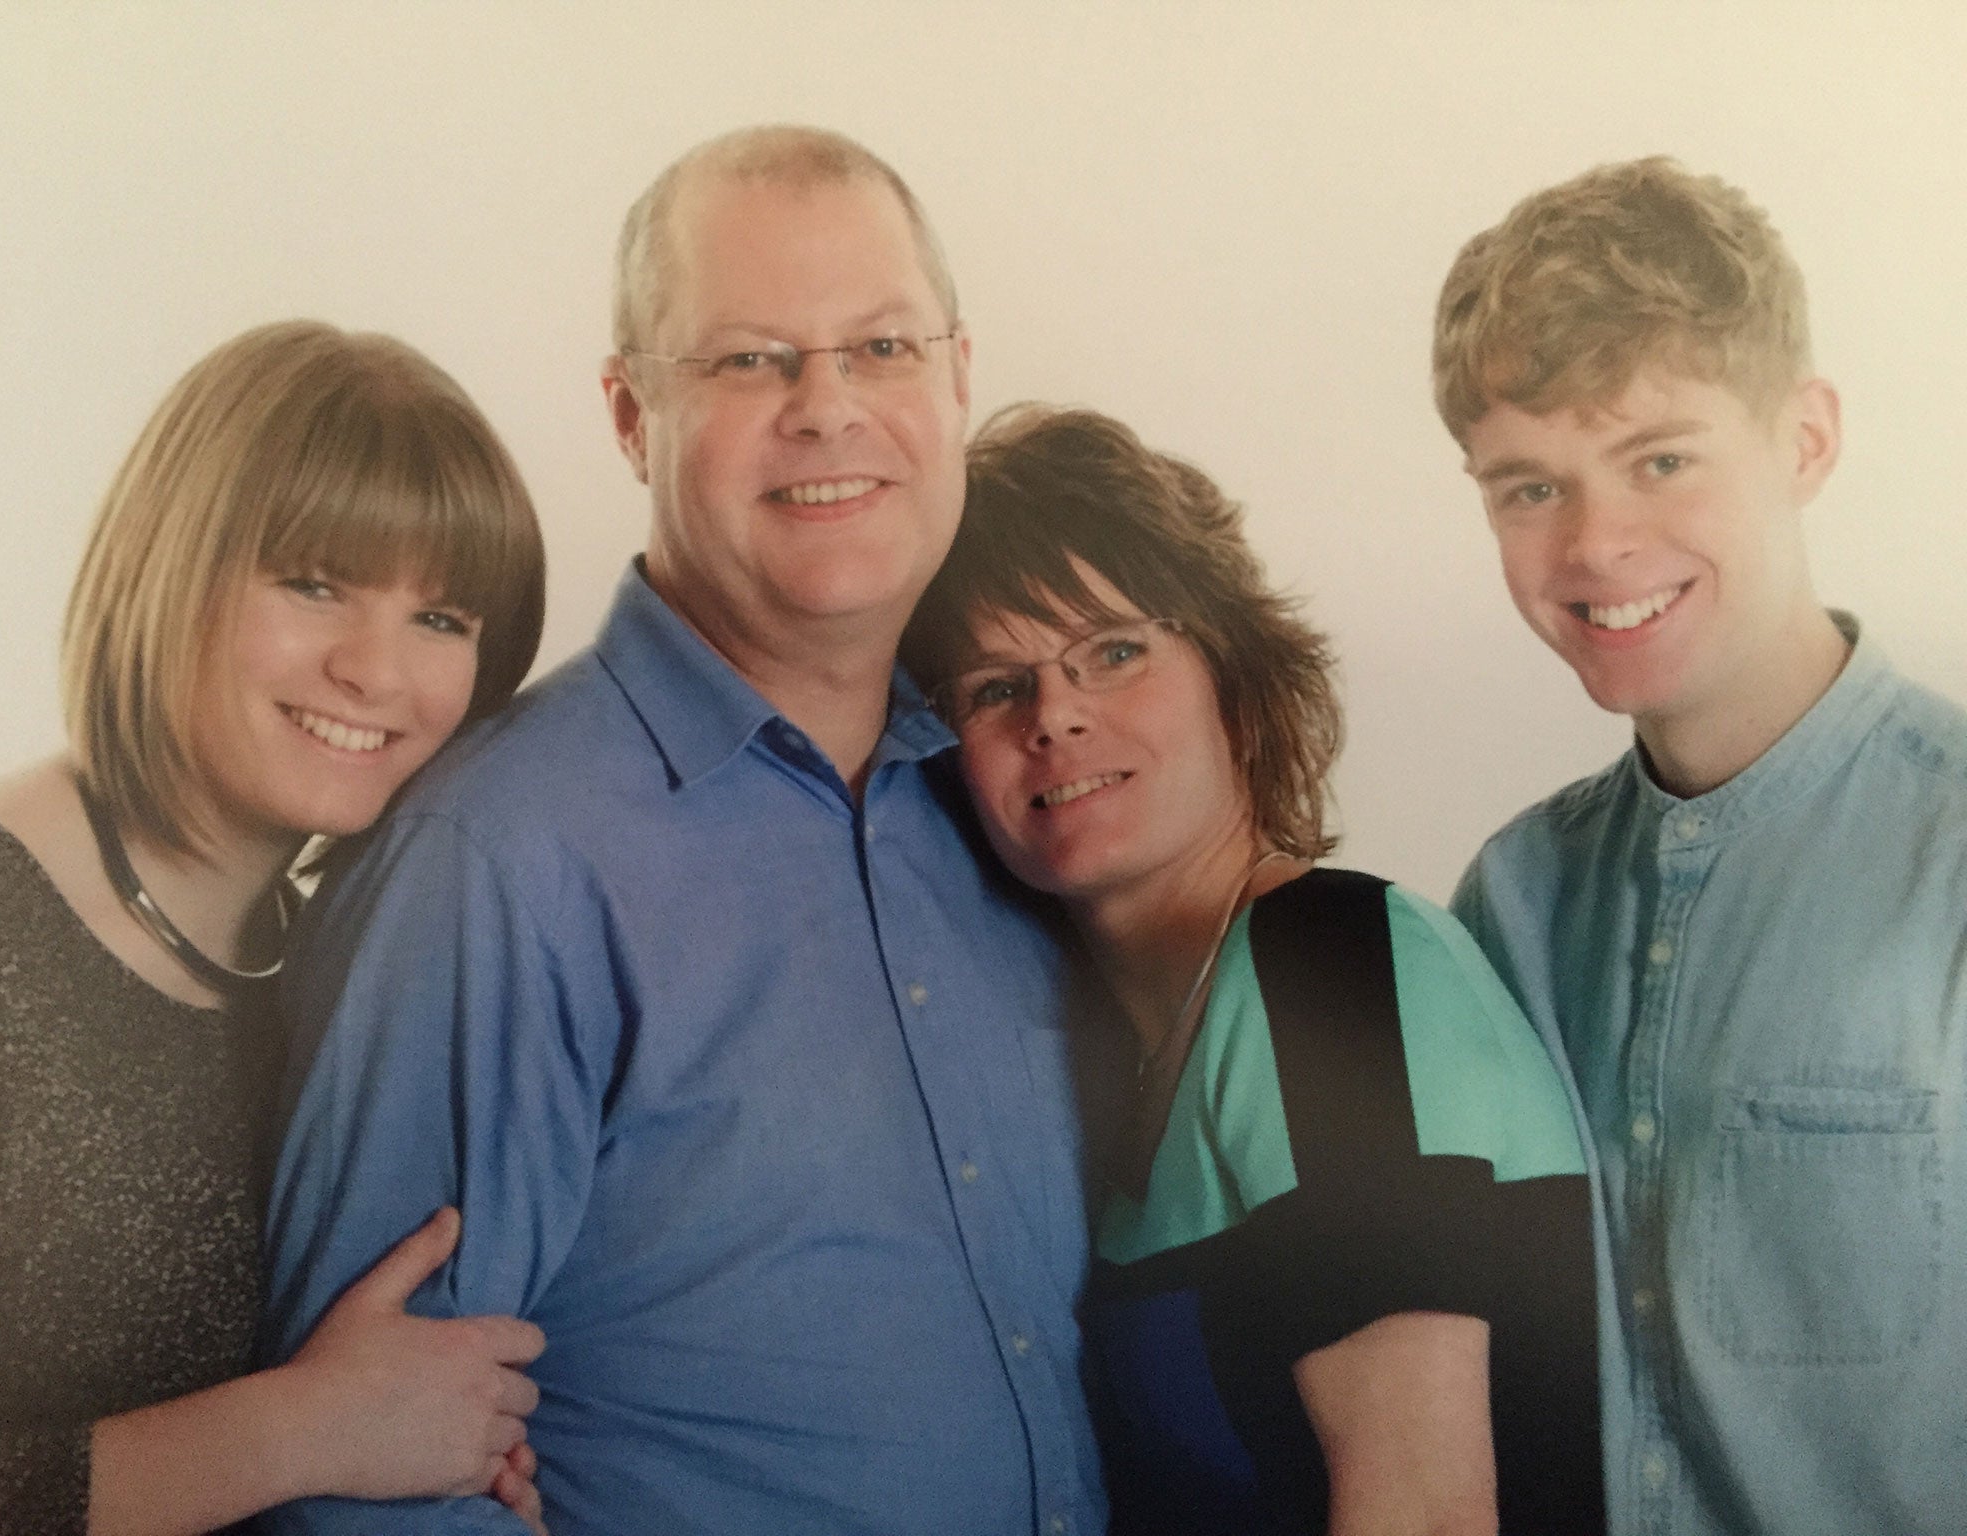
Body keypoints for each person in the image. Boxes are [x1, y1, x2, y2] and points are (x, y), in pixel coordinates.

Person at [259, 125, 1103, 1536]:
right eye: (748, 359)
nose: (827, 407)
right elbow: (360, 1498)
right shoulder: (502, 864)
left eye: (881, 347)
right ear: (629, 414)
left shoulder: (1016, 804)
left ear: (959, 377)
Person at [900, 403, 1605, 1535]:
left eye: (1113, 651)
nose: (1056, 716)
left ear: (1231, 675)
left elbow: (1422, 1514)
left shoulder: (1328, 972)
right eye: (993, 687)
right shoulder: (1113, 1039)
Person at [0, 320, 553, 1535]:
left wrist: (445, 1442)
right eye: (315, 584)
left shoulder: (338, 962)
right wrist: (300, 1430)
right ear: (172, 568)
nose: (376, 672)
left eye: (443, 619)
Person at [1436, 157, 1967, 1533]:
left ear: (1804, 439)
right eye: (1527, 488)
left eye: (1660, 458)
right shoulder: (1510, 901)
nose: (1599, 543)